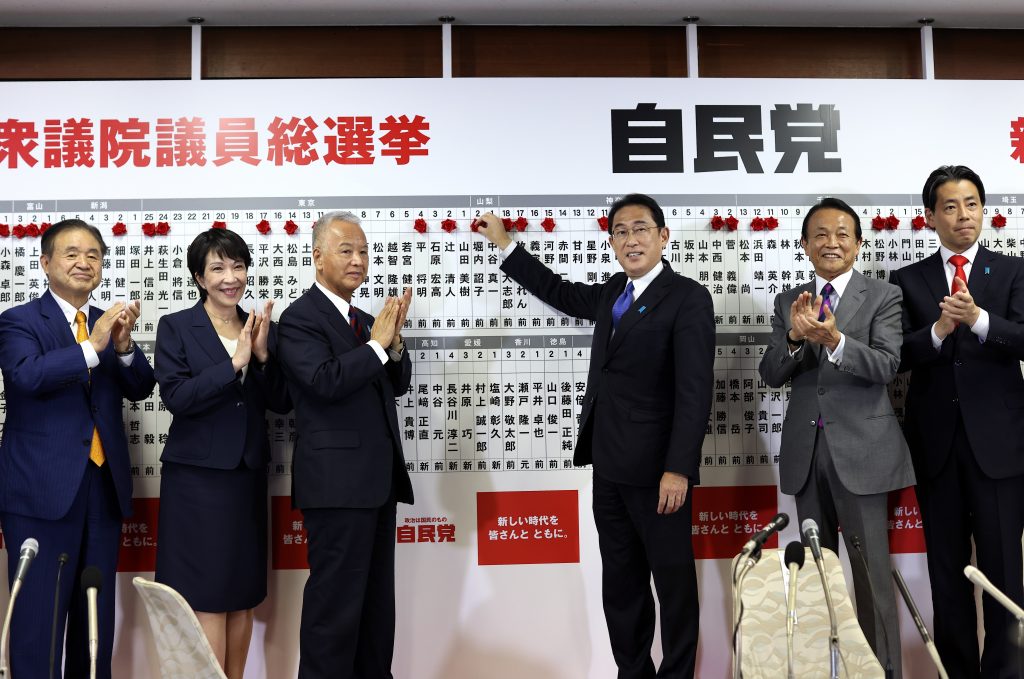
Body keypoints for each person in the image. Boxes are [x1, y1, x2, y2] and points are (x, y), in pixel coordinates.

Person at [474, 194, 714, 679]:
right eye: (620, 231)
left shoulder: (687, 297)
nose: (631, 239)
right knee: (621, 589)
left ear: (663, 237)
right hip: (608, 468)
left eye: (641, 228)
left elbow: (694, 391)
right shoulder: (611, 293)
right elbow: (558, 291)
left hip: (659, 475)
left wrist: (678, 468)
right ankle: (633, 673)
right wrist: (505, 245)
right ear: (611, 242)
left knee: (673, 587)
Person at [758, 197, 913, 676]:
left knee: (870, 583)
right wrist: (793, 340)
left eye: (842, 234)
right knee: (818, 581)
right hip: (807, 455)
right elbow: (770, 374)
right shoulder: (791, 301)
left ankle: (882, 671)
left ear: (858, 244)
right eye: (820, 234)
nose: (831, 242)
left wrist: (835, 341)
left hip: (863, 455)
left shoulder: (883, 296)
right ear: (804, 245)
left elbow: (888, 365)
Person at [0, 218, 155, 679]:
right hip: (41, 494)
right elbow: (28, 377)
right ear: (45, 262)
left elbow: (141, 386)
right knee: (37, 626)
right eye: (71, 254)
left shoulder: (107, 324)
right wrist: (95, 344)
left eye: (93, 255)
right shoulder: (18, 321)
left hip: (102, 491)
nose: (83, 263)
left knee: (95, 624)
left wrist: (124, 349)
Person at [889, 165, 1024, 679]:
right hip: (936, 446)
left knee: (1004, 572)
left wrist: (980, 321)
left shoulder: (1012, 272)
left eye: (971, 204)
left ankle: (1007, 673)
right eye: (950, 206)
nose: (963, 215)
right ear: (930, 217)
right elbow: (896, 357)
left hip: (1001, 447)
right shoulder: (908, 280)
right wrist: (941, 329)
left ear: (984, 210)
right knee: (946, 573)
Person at [277, 210, 413, 679]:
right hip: (335, 489)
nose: (358, 260)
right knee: (334, 611)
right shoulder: (299, 319)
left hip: (377, 484)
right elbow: (323, 381)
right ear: (317, 258)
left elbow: (395, 384)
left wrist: (392, 345)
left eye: (363, 251)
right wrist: (376, 347)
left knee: (377, 610)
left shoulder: (364, 319)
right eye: (346, 250)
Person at [153, 228, 291, 679]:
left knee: (243, 593)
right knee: (208, 595)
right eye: (218, 268)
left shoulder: (258, 326)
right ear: (199, 277)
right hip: (198, 481)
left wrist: (265, 356)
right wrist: (234, 363)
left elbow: (279, 402)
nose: (230, 277)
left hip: (247, 476)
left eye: (237, 266)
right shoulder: (176, 326)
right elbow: (178, 396)